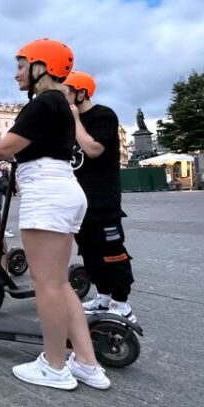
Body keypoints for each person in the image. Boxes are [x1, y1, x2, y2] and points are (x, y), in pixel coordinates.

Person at [0, 38, 110, 391]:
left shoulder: (43, 103)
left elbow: (6, 146)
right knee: (59, 283)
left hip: (46, 191)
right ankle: (87, 363)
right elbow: (18, 151)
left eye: (21, 65)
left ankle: (55, 365)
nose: (16, 74)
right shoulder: (62, 104)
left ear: (41, 66)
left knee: (47, 285)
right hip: (64, 188)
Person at [65, 71, 136, 322]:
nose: (64, 96)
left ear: (82, 93)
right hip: (78, 199)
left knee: (111, 251)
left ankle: (122, 302)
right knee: (89, 250)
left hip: (102, 198)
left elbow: (93, 149)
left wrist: (74, 120)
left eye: (68, 91)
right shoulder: (68, 121)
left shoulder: (103, 115)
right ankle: (103, 296)